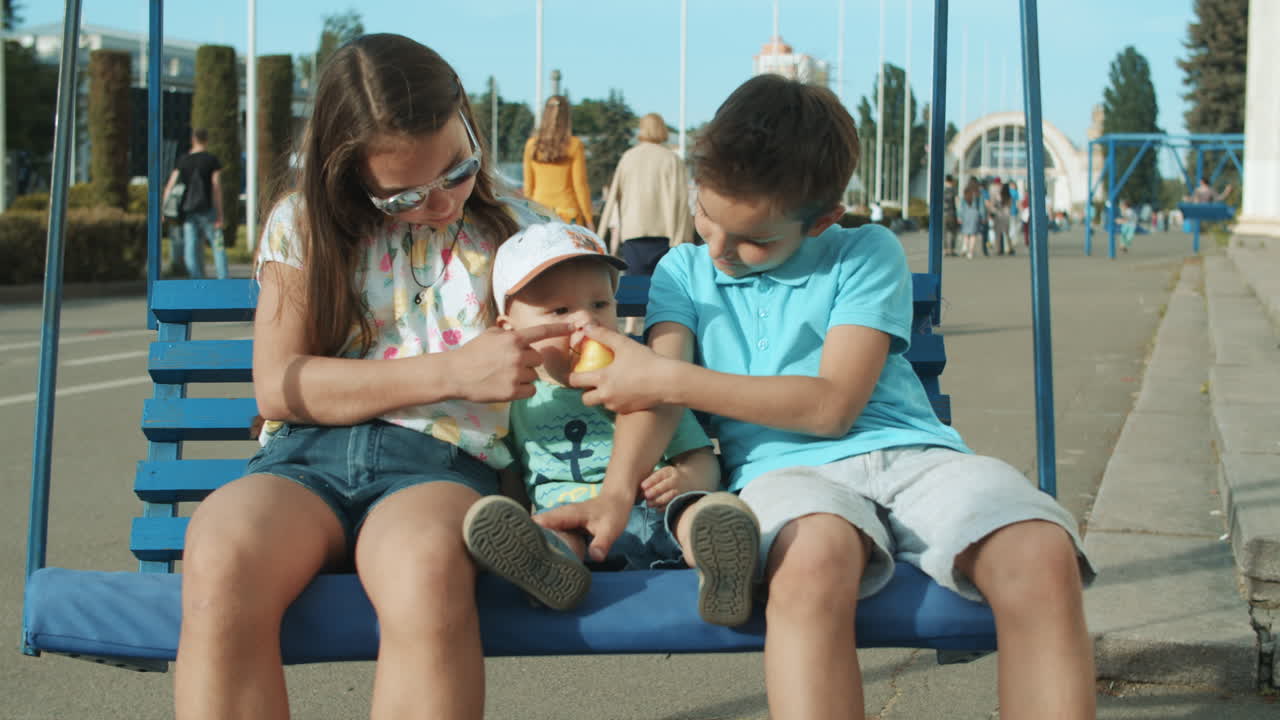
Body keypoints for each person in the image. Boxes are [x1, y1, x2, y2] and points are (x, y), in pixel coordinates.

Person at [537, 74, 1096, 720]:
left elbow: (832, 405)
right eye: (705, 215)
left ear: (823, 219)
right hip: (783, 472)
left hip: (917, 457)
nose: (718, 249)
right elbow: (653, 400)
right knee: (812, 560)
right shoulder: (682, 272)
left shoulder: (864, 252)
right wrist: (615, 492)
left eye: (754, 239)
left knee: (1040, 552)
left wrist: (667, 378)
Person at [174, 34, 565, 720]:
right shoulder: (305, 223)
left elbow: (584, 361)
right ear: (349, 175)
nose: (440, 204)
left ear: (467, 119)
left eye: (458, 169)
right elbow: (279, 384)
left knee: (425, 567)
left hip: (438, 465)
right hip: (301, 460)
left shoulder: (525, 232)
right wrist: (453, 370)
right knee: (221, 549)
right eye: (404, 195)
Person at [461, 222, 748, 619]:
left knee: (696, 513)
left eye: (599, 304)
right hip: (573, 521)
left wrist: (686, 480)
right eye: (560, 310)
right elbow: (513, 482)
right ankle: (548, 569)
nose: (587, 321)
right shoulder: (516, 402)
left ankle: (724, 566)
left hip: (658, 512)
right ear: (511, 331)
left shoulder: (638, 382)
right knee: (554, 536)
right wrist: (520, 519)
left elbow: (699, 456)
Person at [597, 112, 694, 333]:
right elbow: (682, 200)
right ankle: (661, 330)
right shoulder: (672, 159)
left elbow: (614, 195)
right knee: (665, 284)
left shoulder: (628, 157)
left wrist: (602, 233)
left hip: (634, 229)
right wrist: (684, 236)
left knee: (634, 281)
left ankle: (631, 328)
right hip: (666, 231)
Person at [162, 128, 227, 279]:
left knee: (190, 248)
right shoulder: (212, 160)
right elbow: (216, 187)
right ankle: (223, 279)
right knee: (217, 245)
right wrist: (220, 214)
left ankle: (195, 280)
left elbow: (170, 185)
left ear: (193, 139)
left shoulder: (183, 160)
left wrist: (163, 209)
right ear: (206, 140)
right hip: (208, 210)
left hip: (189, 210)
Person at [523, 95, 595, 230]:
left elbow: (528, 187)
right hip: (568, 215)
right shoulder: (575, 145)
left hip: (539, 214)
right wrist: (589, 218)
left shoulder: (531, 145)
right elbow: (580, 185)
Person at [958, 177, 984, 259]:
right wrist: (982, 217)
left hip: (966, 213)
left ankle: (965, 246)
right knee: (973, 234)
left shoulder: (966, 191)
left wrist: (959, 216)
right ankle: (970, 252)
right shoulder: (978, 193)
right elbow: (981, 207)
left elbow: (961, 206)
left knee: (966, 233)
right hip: (975, 214)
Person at [942, 174, 960, 256]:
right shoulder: (954, 190)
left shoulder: (943, 191)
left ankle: (945, 250)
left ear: (946, 181)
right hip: (952, 213)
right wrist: (959, 215)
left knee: (944, 232)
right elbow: (957, 202)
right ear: (952, 181)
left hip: (944, 213)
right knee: (953, 232)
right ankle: (952, 249)